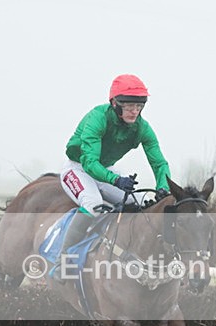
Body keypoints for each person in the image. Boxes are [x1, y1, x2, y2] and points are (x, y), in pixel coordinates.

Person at [56, 74, 172, 268]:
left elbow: (159, 163)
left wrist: (162, 187)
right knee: (93, 204)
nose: (134, 111)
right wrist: (116, 180)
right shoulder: (97, 118)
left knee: (142, 203)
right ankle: (63, 260)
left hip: (106, 169)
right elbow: (90, 163)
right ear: (115, 103)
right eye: (128, 106)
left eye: (139, 106)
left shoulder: (143, 128)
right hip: (78, 168)